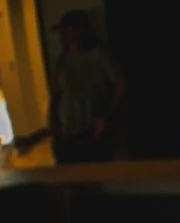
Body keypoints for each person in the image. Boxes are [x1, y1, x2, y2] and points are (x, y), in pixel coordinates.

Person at [49, 10, 128, 164]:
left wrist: (107, 116)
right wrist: (54, 127)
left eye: (67, 30)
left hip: (93, 130)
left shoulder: (97, 56)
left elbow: (121, 85)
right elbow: (56, 97)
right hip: (69, 130)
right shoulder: (62, 61)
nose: (63, 35)